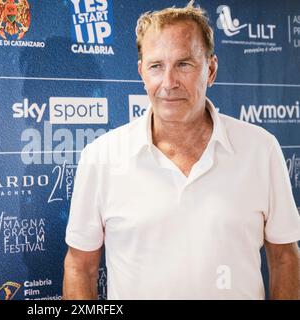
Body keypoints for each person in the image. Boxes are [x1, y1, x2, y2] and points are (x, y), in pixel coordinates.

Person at [63, 1, 300, 300]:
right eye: (156, 66)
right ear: (141, 73)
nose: (169, 82)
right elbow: (79, 267)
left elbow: (285, 258)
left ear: (211, 70)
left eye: (184, 64)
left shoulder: (260, 149)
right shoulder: (100, 157)